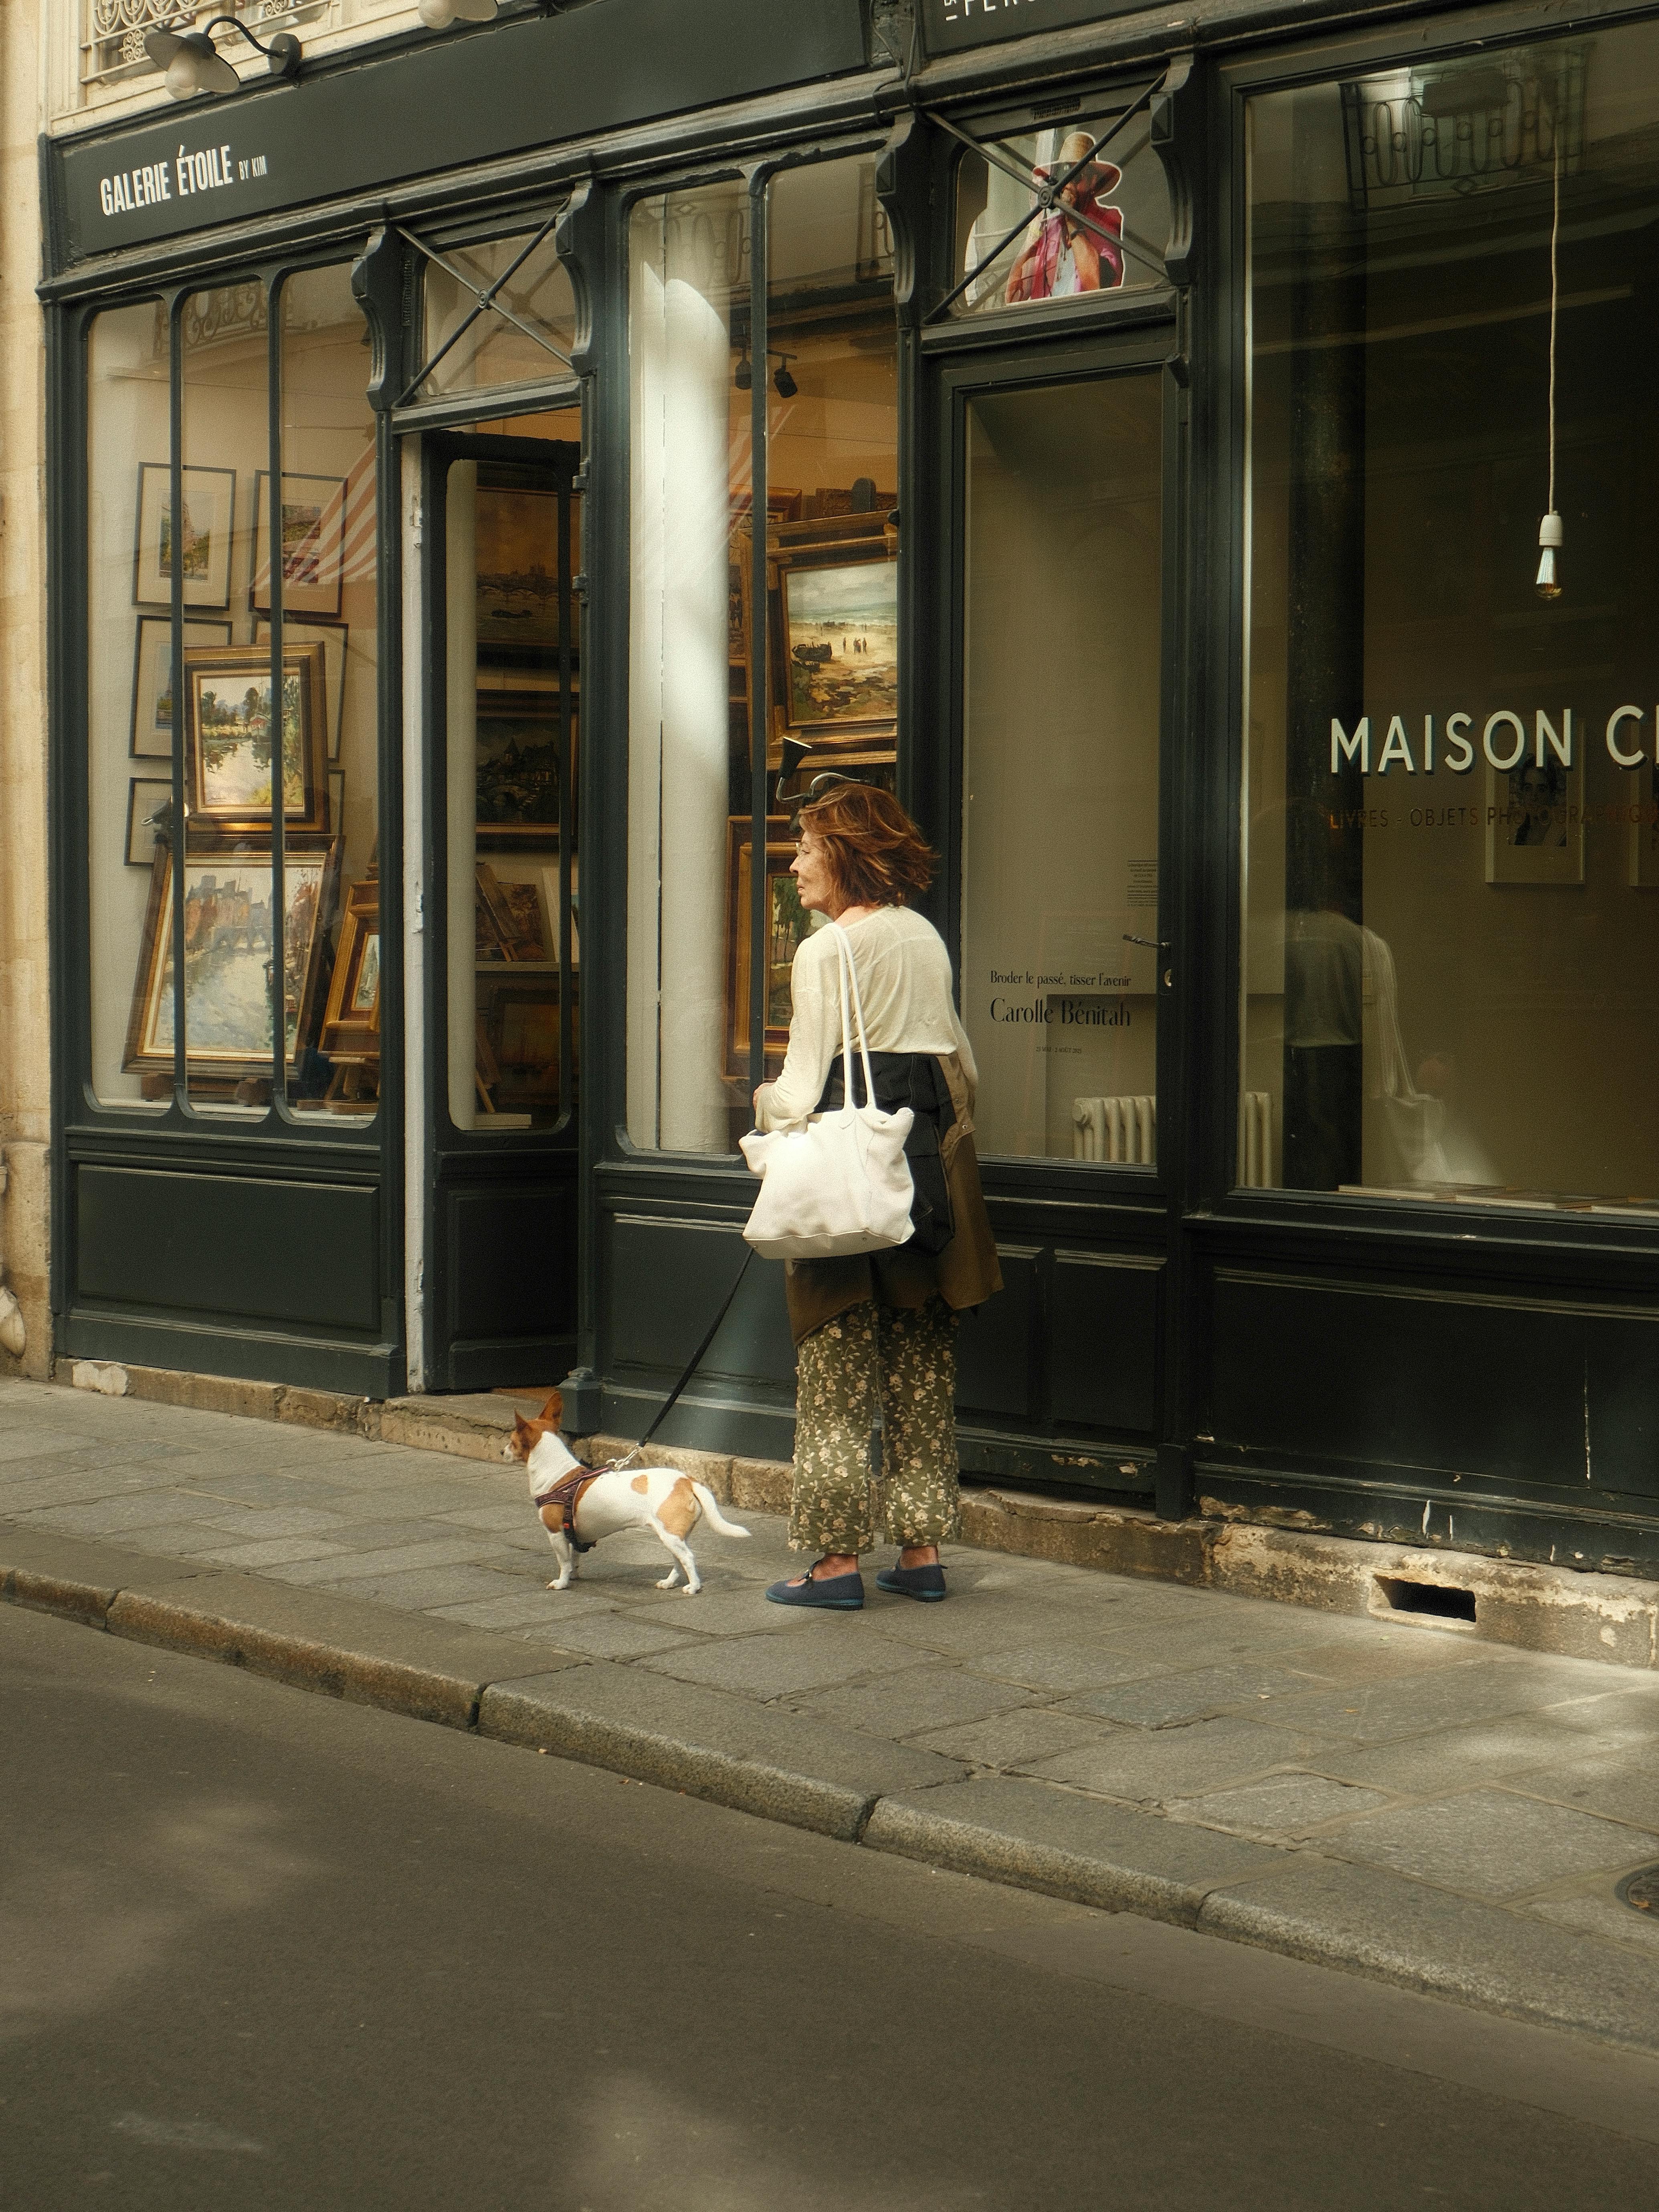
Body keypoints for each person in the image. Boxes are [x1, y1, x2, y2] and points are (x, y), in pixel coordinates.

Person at [752, 780, 1001, 1611]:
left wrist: (759, 1117)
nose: (793, 863)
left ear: (845, 855)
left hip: (847, 1177)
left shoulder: (825, 950)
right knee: (921, 1364)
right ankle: (922, 1550)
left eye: (806, 847)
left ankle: (832, 1565)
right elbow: (962, 1062)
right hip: (925, 1174)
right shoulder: (924, 937)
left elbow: (797, 1088)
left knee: (834, 1366)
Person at [1004, 132, 1124, 304]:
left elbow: (1096, 284)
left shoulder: (1108, 220)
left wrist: (1071, 218)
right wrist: (1036, 223)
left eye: (1076, 177)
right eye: (1062, 177)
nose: (1068, 185)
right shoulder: (1050, 230)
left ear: (1093, 181)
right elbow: (1013, 296)